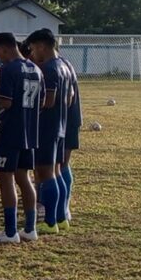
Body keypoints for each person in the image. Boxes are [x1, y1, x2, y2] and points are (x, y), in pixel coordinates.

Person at [0, 32, 44, 244]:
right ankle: (30, 228)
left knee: (5, 178)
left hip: (9, 131)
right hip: (29, 131)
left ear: (5, 48)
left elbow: (6, 102)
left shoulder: (10, 69)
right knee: (25, 178)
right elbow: (41, 100)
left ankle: (10, 232)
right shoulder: (36, 69)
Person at [25, 28, 72, 235]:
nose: (33, 54)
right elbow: (69, 98)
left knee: (46, 174)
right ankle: (61, 218)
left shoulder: (50, 69)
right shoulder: (65, 65)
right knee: (56, 172)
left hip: (47, 128)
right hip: (61, 126)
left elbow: (49, 101)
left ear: (42, 46)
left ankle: (50, 222)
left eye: (33, 49)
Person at [60, 54, 81, 223]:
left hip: (64, 122)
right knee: (61, 165)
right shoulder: (66, 64)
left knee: (59, 166)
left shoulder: (57, 67)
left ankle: (63, 208)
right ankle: (63, 208)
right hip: (69, 120)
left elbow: (69, 96)